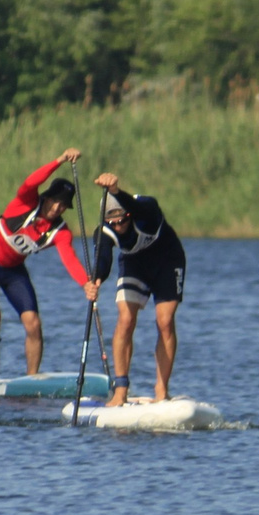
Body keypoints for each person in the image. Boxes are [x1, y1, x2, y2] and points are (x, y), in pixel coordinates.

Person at [0, 148, 97, 381]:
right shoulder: (25, 203)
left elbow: (69, 258)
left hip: (14, 272)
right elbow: (31, 181)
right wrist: (59, 160)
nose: (58, 209)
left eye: (64, 206)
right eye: (56, 202)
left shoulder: (60, 232)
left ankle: (31, 379)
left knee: (33, 323)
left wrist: (85, 285)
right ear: (47, 197)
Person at [90, 173, 186, 407]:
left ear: (129, 215)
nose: (118, 226)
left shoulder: (146, 209)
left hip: (168, 261)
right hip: (135, 265)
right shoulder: (105, 231)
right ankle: (120, 390)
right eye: (112, 222)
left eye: (122, 220)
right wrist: (96, 280)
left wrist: (115, 191)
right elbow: (103, 259)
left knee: (164, 321)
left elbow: (133, 205)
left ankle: (161, 389)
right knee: (125, 319)